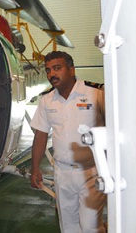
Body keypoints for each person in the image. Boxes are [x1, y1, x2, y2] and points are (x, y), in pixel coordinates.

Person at [30, 51, 106, 233]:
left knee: (90, 227)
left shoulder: (96, 93)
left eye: (57, 68)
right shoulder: (47, 100)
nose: (51, 74)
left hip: (91, 172)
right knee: (68, 227)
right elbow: (40, 135)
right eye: (48, 70)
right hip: (62, 173)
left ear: (71, 70)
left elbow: (115, 128)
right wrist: (35, 168)